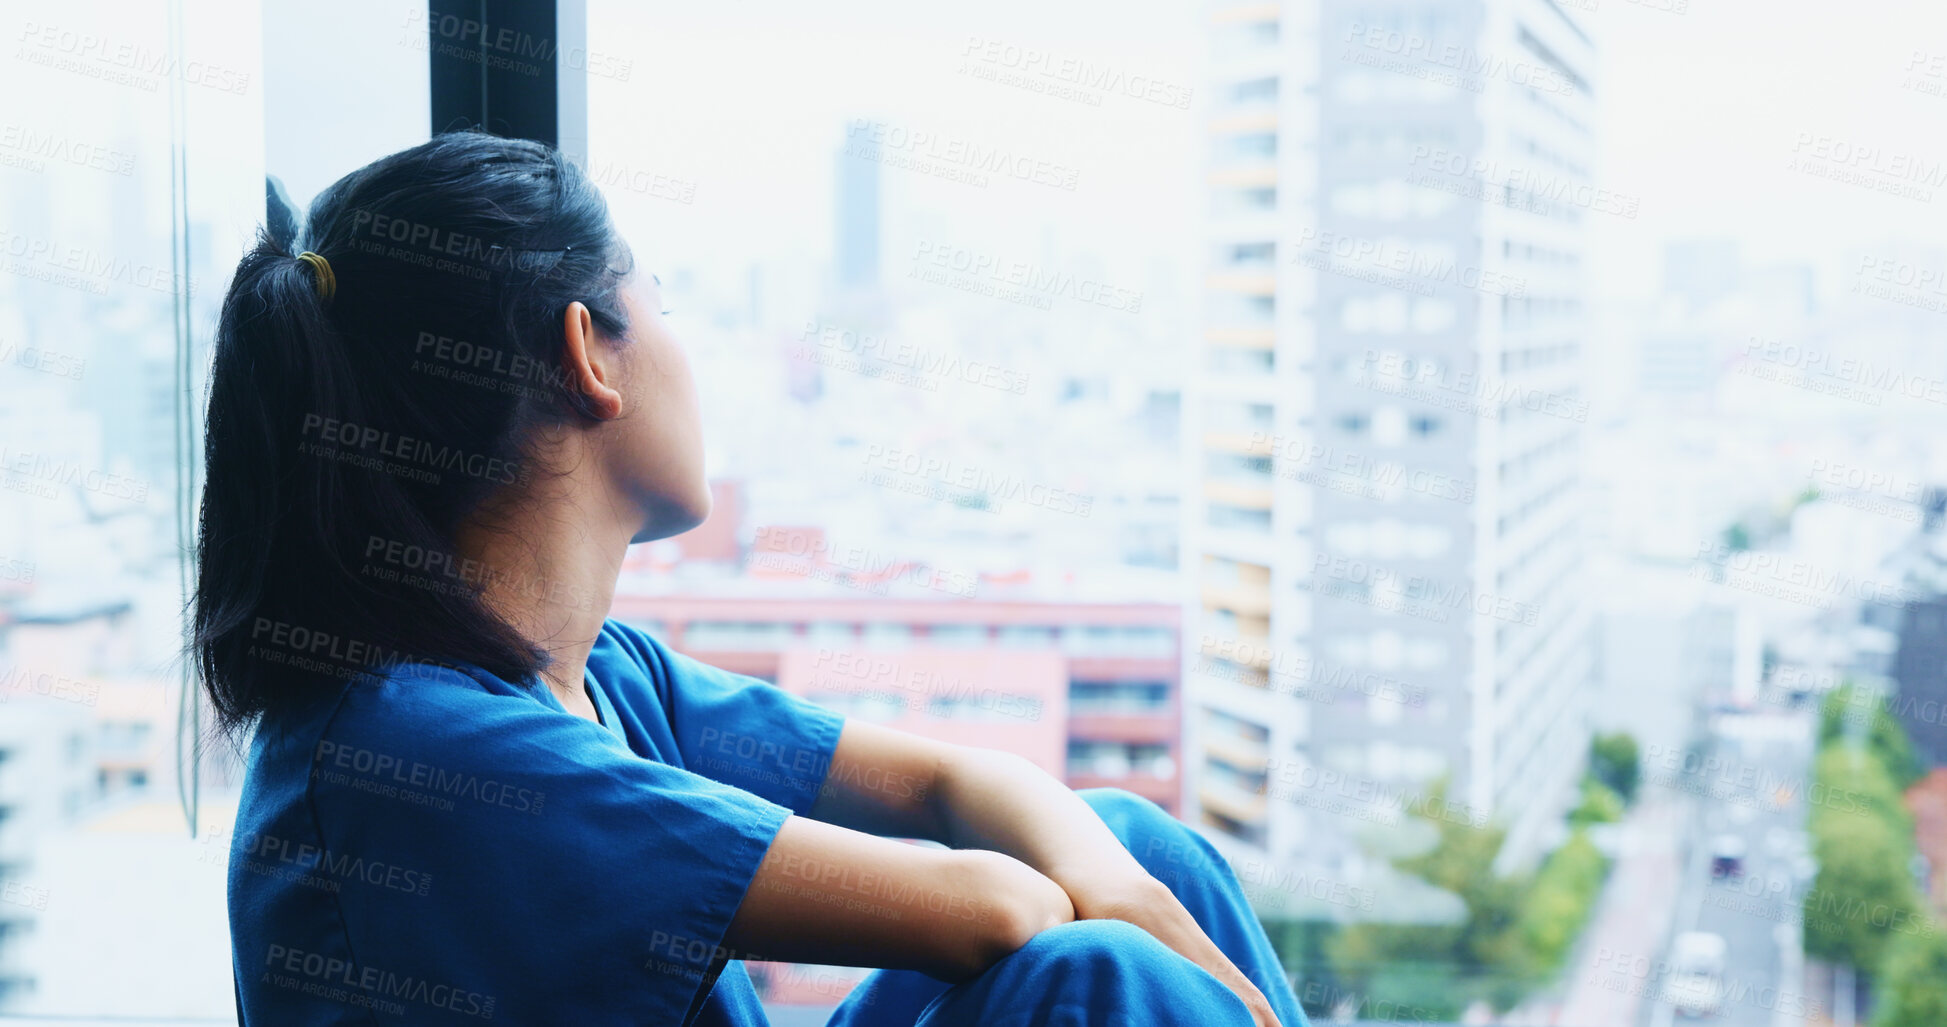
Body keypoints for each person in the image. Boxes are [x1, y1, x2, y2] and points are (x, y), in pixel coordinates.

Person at [193, 130, 1309, 1027]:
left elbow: (947, 780)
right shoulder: (421, 751)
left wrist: (1117, 877)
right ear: (588, 354)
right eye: (664, 302)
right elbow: (999, 909)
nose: (692, 348)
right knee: (1097, 971)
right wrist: (1100, 902)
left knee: (1133, 838)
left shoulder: (598, 676)